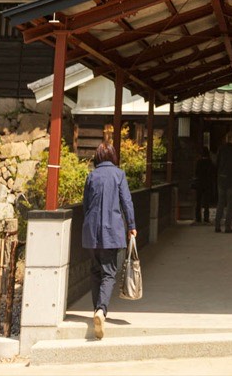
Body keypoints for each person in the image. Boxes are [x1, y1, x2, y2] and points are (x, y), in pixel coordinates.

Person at [82, 141, 137, 339]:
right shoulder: (118, 175)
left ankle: (96, 310)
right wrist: (131, 225)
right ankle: (101, 311)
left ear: (97, 157)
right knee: (108, 273)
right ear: (113, 156)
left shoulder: (92, 176)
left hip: (91, 232)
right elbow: (126, 202)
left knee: (95, 271)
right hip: (111, 232)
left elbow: (85, 205)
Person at [214, 130, 232, 233]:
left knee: (220, 202)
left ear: (226, 138)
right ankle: (227, 227)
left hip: (221, 178)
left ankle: (217, 226)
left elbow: (217, 163)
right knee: (230, 204)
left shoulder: (221, 149)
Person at [194, 145, 216, 224]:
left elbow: (196, 173)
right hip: (207, 184)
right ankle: (206, 218)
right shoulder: (210, 162)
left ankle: (198, 218)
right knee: (206, 202)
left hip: (199, 183)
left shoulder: (199, 162)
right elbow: (212, 173)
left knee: (198, 201)